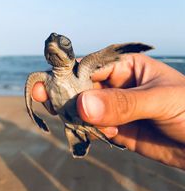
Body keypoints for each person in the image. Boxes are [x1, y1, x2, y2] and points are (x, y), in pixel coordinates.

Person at [32, 54, 185, 170]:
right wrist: (36, 117)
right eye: (48, 43)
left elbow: (103, 57)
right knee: (82, 129)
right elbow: (31, 90)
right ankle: (85, 141)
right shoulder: (45, 77)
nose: (53, 42)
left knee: (92, 129)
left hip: (85, 118)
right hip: (71, 120)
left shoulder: (81, 67)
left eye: (63, 43)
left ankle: (88, 141)